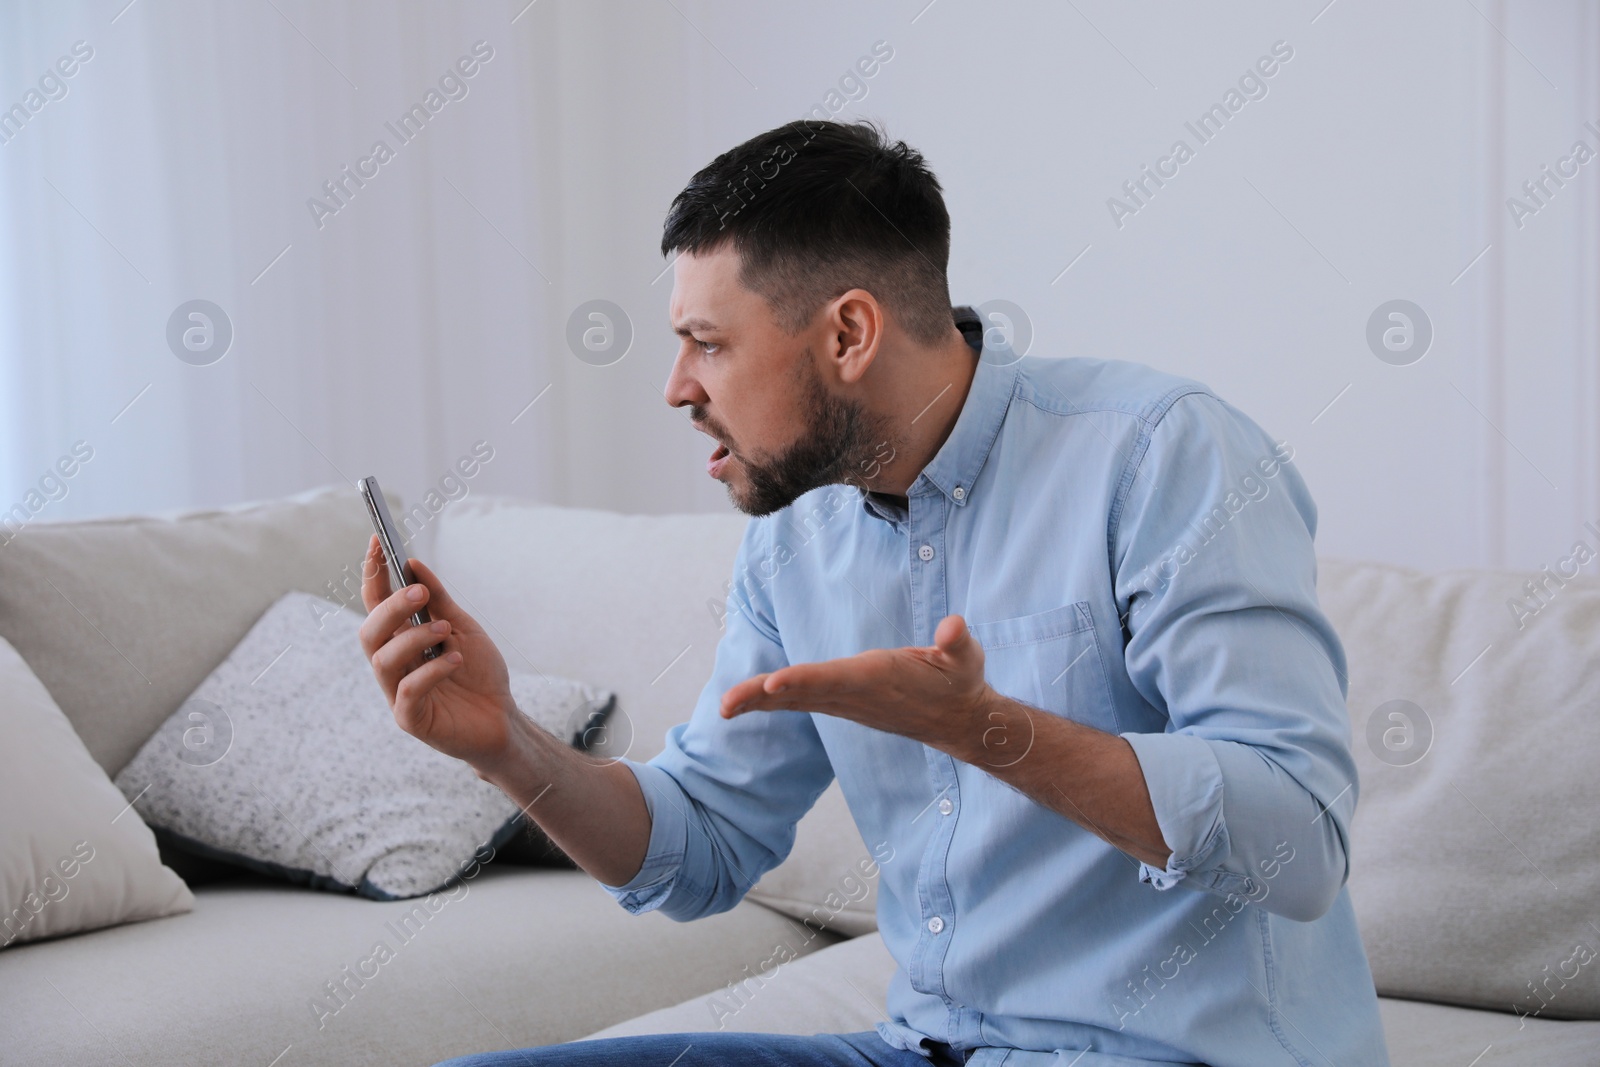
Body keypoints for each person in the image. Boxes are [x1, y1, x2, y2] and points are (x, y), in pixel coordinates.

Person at [360, 120, 1390, 1066]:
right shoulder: (796, 538)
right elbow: (702, 843)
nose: (676, 386)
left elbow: (1296, 840)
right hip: (924, 1049)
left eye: (707, 342)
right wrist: (502, 737)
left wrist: (990, 730)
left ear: (847, 334)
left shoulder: (1160, 457)